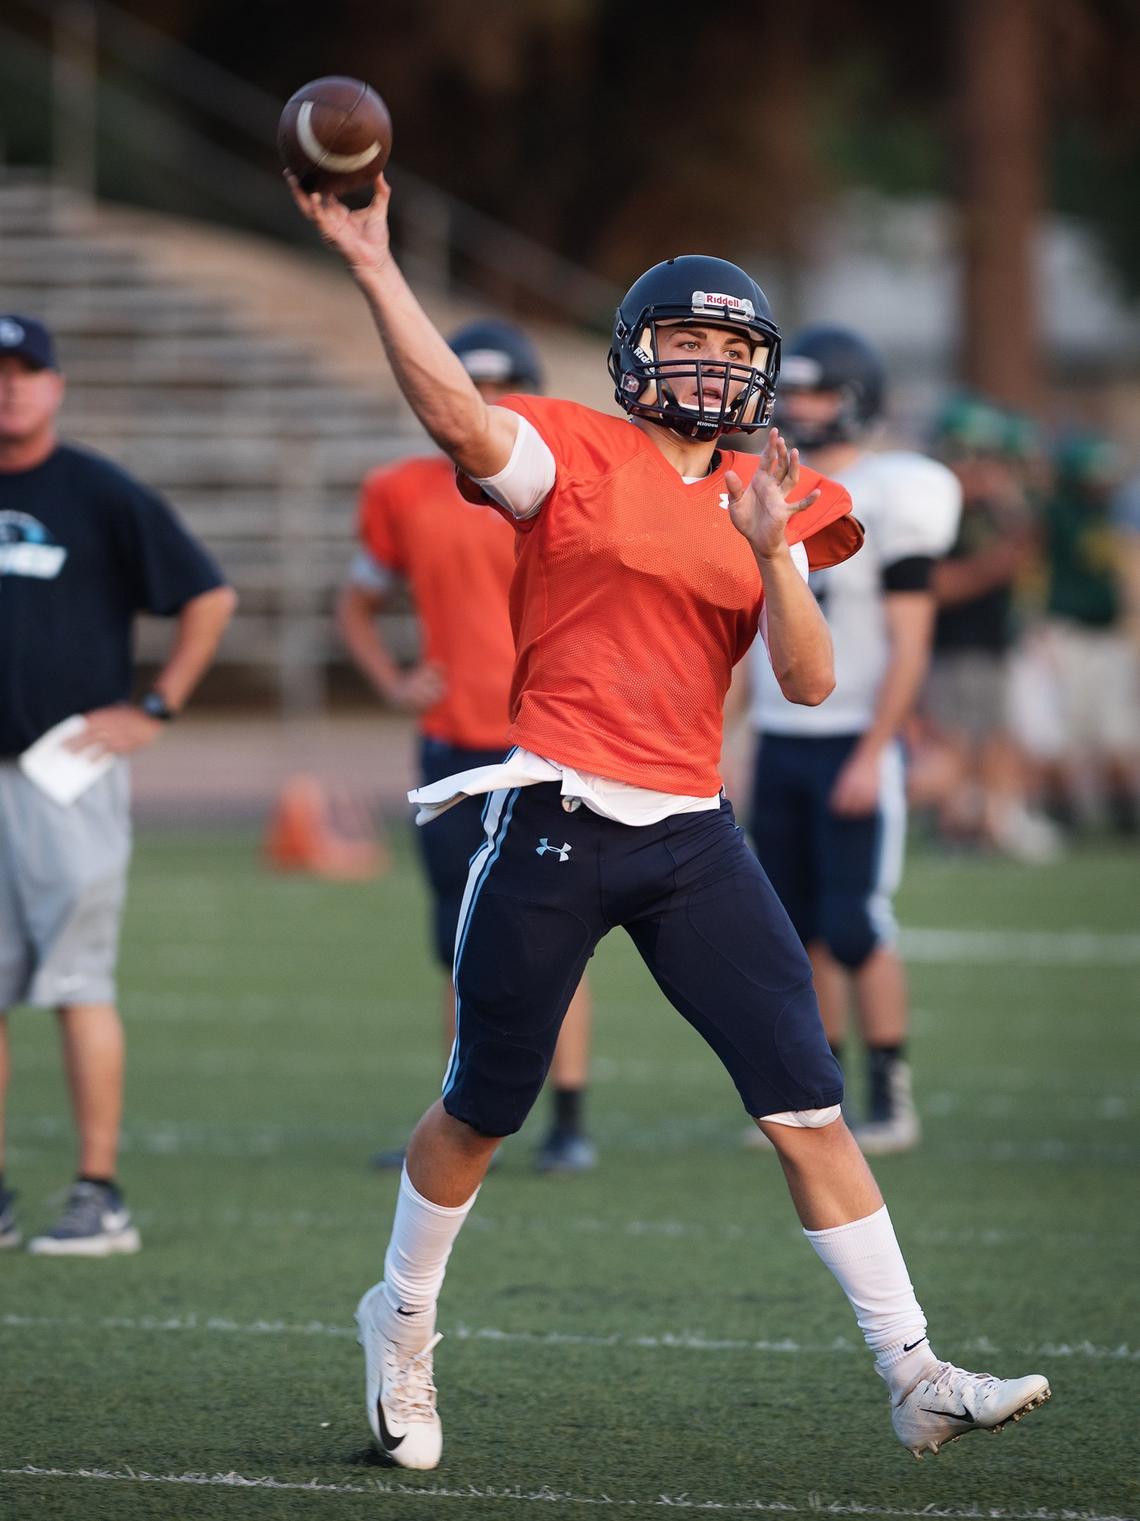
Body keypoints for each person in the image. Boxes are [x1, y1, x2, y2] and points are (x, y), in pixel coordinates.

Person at [288, 172, 1050, 1473]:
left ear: (763, 370)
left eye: (733, 347)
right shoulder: (575, 452)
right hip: (554, 813)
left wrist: (767, 553)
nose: (708, 366)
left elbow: (807, 682)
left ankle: (912, 1370)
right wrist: (373, 265)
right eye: (685, 342)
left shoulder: (779, 497)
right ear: (637, 355)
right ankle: (401, 1321)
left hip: (695, 831)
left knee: (807, 1104)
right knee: (480, 1105)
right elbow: (456, 416)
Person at [0, 314, 236, 1255]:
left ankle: (99, 1193)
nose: (10, 387)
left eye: (26, 372)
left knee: (77, 981)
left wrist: (157, 705)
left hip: (64, 774)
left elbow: (206, 594)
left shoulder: (97, 491)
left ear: (56, 385)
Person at [336, 318, 596, 1173]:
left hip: (547, 741)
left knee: (559, 932)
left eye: (495, 388)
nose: (478, 405)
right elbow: (358, 602)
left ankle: (569, 1117)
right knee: (459, 934)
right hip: (452, 744)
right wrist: (391, 678)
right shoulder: (400, 490)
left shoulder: (560, 482)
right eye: (463, 386)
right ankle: (457, 1109)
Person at [743, 326, 961, 1155]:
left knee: (858, 925)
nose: (799, 408)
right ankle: (814, 1100)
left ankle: (891, 1094)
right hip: (778, 733)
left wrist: (877, 750)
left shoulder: (899, 490)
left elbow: (912, 641)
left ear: (858, 397)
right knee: (793, 931)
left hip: (851, 739)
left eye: (819, 393)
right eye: (791, 392)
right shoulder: (762, 480)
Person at [925, 397, 1058, 861]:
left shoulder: (994, 508)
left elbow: (1032, 544)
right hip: (951, 642)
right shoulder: (939, 508)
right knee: (955, 738)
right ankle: (956, 823)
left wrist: (1007, 502)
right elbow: (934, 585)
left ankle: (995, 819)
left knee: (998, 735)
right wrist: (994, 567)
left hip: (994, 639)